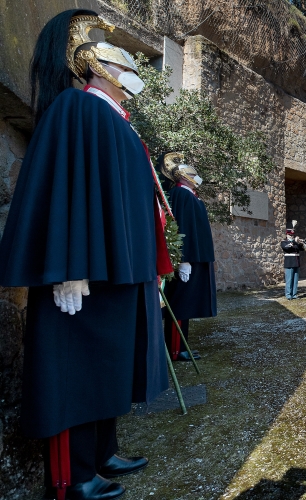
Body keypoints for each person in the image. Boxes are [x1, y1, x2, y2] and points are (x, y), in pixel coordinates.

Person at [0, 11, 170, 499]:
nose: (133, 74)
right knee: (76, 366)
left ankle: (102, 452)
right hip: (84, 272)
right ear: (100, 68)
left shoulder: (117, 120)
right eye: (126, 66)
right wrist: (68, 268)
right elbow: (65, 192)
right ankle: (73, 475)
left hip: (119, 270)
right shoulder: (76, 109)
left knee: (107, 365)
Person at [161, 153, 217, 362]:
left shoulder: (188, 194)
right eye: (192, 173)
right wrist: (184, 259)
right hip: (188, 260)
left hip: (195, 258)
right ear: (184, 176)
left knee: (187, 304)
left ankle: (182, 345)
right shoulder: (181, 195)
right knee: (181, 304)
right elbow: (182, 228)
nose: (197, 176)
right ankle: (176, 350)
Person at [281, 224, 306, 300]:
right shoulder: (284, 242)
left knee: (295, 280)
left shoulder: (296, 243)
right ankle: (288, 295)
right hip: (289, 263)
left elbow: (303, 249)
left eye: (292, 235)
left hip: (296, 263)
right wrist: (294, 242)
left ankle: (294, 294)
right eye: (290, 235)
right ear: (287, 234)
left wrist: (301, 242)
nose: (291, 236)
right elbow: (287, 248)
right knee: (289, 280)